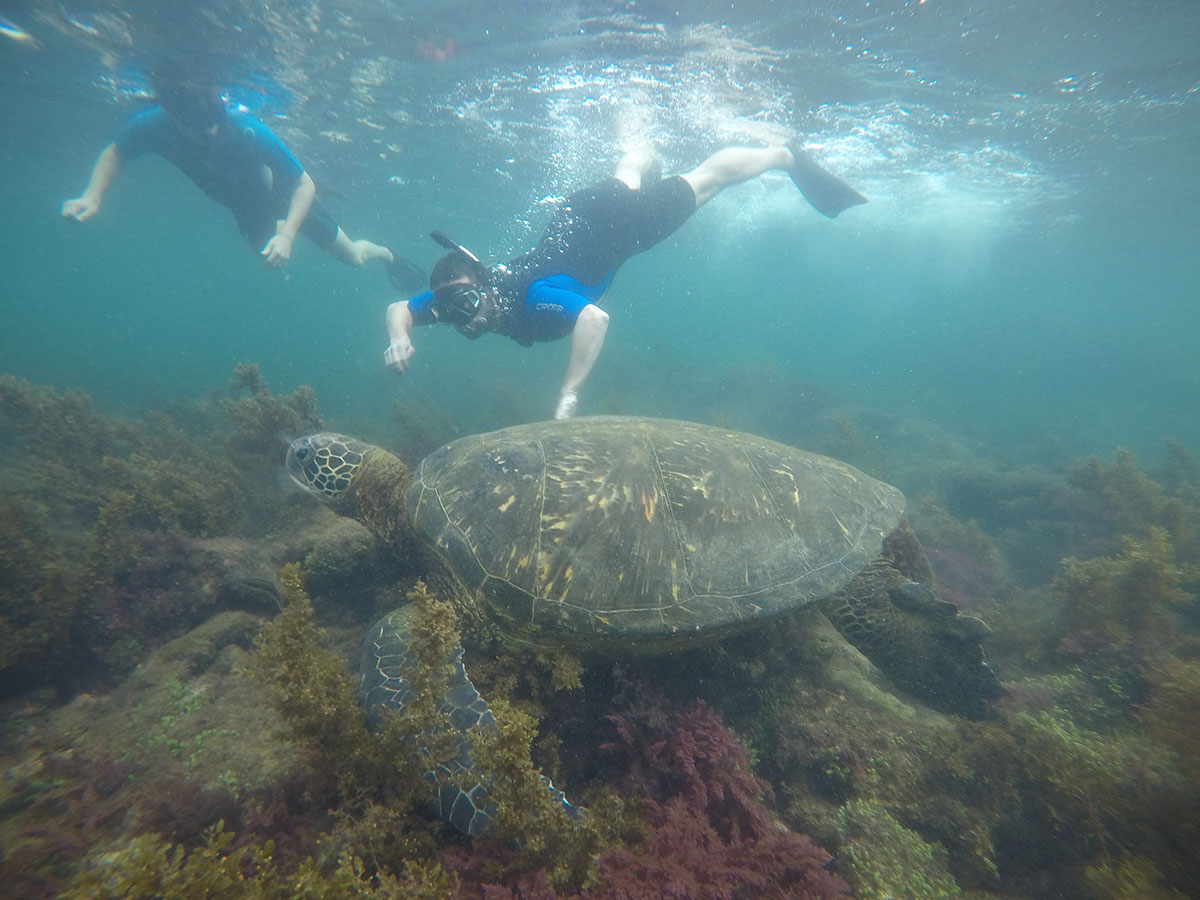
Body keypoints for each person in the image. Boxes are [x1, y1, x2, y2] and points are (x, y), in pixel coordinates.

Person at [383, 141, 866, 419]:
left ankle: (782, 154)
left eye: (464, 304)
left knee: (707, 181)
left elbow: (594, 318)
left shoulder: (532, 299)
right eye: (448, 312)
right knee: (626, 177)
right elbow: (400, 308)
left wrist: (569, 393)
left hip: (617, 227)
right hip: (578, 215)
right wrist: (398, 337)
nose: (458, 319)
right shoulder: (461, 297)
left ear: (483, 288)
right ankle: (638, 146)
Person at [62, 70, 422, 288]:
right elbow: (115, 152)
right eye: (203, 128)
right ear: (175, 117)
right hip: (244, 207)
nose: (212, 133)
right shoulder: (153, 124)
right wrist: (92, 196)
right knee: (264, 258)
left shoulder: (245, 127)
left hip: (284, 195)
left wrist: (286, 234)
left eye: (216, 123)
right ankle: (280, 233)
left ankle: (388, 257)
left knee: (354, 258)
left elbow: (304, 184)